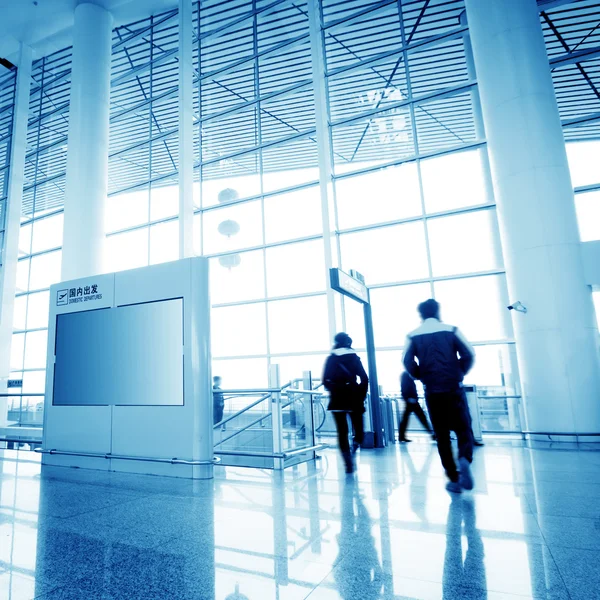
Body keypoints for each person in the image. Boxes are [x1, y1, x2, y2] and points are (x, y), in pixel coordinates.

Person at [403, 299, 476, 493]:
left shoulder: (413, 336)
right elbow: (469, 354)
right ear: (437, 311)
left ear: (421, 314)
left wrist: (421, 375)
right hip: (454, 388)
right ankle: (464, 458)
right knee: (463, 429)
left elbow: (407, 361)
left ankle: (453, 479)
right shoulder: (451, 330)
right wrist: (459, 371)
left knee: (442, 435)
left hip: (432, 391)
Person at [322, 332, 368, 474]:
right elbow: (364, 378)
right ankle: (356, 442)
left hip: (337, 399)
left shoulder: (331, 358)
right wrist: (360, 394)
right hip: (354, 397)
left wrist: (335, 389)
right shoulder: (354, 357)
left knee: (342, 432)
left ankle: (348, 463)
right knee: (359, 429)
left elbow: (325, 380)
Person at [399, 370, 435, 442]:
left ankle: (401, 436)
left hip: (411, 400)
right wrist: (409, 398)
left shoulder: (406, 375)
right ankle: (432, 434)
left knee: (406, 419)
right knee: (422, 418)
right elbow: (405, 387)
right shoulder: (406, 375)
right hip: (411, 400)